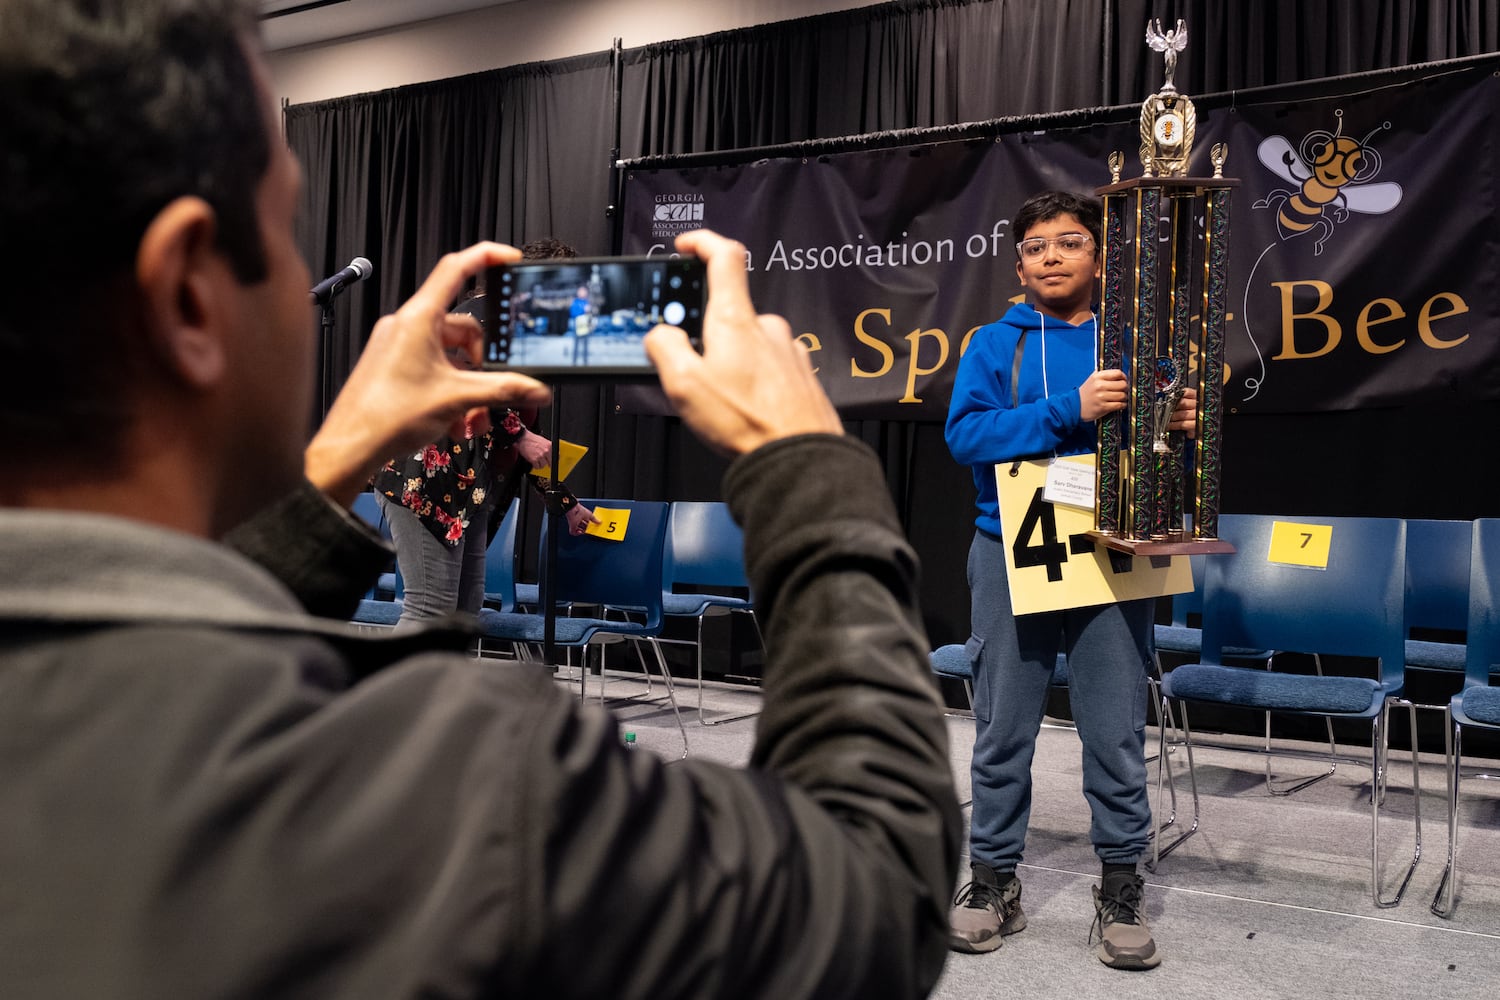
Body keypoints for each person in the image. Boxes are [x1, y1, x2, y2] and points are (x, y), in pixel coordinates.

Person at [0, 3, 961, 998]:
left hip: (444, 508)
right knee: (431, 614)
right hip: (436, 509)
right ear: (189, 295)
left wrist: (328, 469)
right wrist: (804, 459)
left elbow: (156, 665)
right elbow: (878, 897)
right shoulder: (464, 786)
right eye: (290, 228)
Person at [943, 190, 1195, 970]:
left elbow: (1169, 468)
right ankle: (991, 882)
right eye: (1037, 247)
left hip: (1112, 548)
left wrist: (1180, 428)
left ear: (1100, 257)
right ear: (1018, 264)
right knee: (1003, 730)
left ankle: (1121, 885)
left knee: (1115, 731)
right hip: (1010, 549)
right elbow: (966, 436)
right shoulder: (993, 343)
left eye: (1071, 242)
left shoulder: (1140, 345)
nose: (1052, 256)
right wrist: (1068, 407)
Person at [370, 241, 597, 628]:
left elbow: (527, 436)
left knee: (464, 612)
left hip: (468, 491)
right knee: (430, 611)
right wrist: (520, 435)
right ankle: (396, 690)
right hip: (423, 480)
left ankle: (444, 691)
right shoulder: (478, 315)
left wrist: (567, 503)